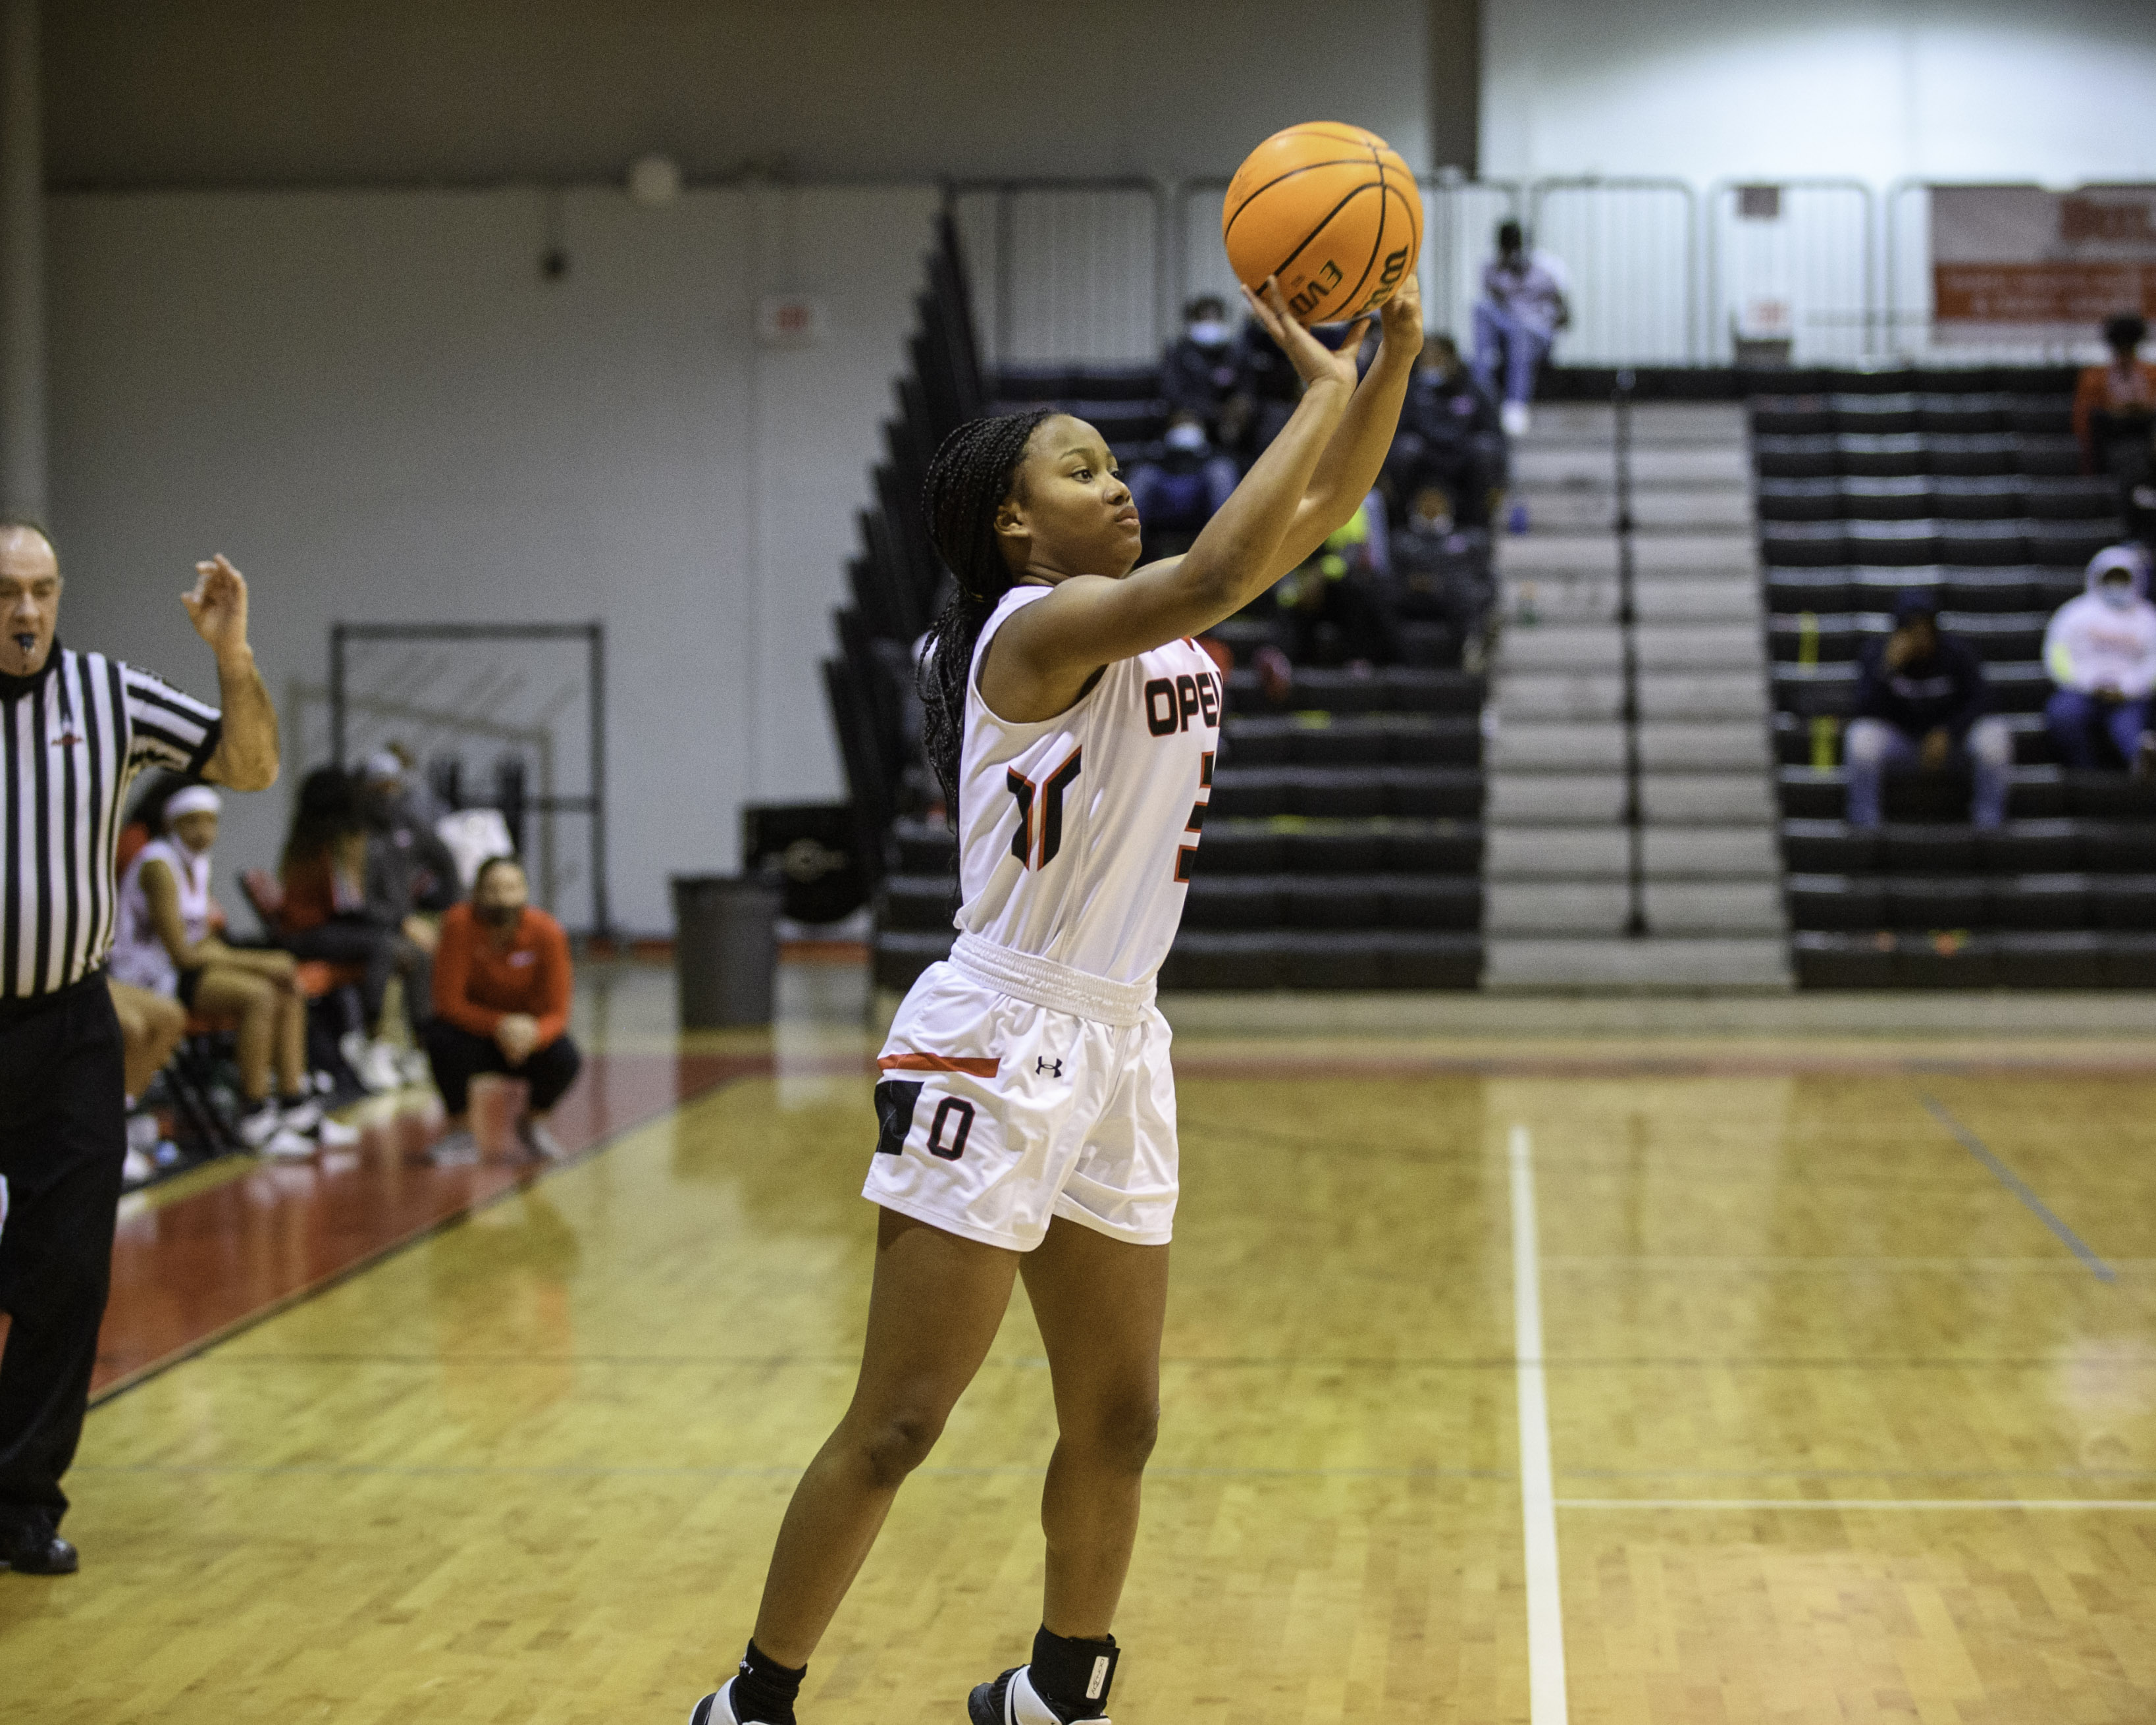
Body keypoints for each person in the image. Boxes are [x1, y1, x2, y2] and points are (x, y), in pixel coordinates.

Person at [682, 266, 1422, 1725]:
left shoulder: (1135, 608)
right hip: (997, 1034)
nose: (1116, 479)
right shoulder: (1027, 626)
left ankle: (1053, 1690)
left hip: (1119, 1036)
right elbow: (1219, 570)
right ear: (1014, 520)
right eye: (1080, 467)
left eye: (1115, 459)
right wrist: (1321, 391)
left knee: (1121, 1413)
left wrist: (1388, 357)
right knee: (900, 1418)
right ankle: (750, 1701)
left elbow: (1315, 512)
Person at [0, 523, 278, 1577]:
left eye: (43, 589)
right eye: (5, 592)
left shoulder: (107, 695)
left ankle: (19, 1500)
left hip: (69, 1022)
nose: (25, 611)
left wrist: (231, 654)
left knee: (68, 1268)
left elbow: (250, 765)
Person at [109, 785, 354, 1158]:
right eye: (192, 823)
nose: (202, 832)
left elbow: (205, 942)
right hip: (146, 977)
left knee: (289, 985)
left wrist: (267, 964)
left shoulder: (197, 863)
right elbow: (182, 954)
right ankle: (253, 1116)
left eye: (209, 822)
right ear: (171, 824)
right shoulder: (158, 866)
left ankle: (295, 1106)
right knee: (259, 995)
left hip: (180, 969)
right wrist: (261, 961)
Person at [278, 766, 434, 1092]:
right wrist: (402, 923)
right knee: (385, 946)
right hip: (305, 936)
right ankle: (370, 1040)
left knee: (415, 954)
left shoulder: (315, 835)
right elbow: (350, 904)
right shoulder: (329, 842)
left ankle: (417, 1048)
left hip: (329, 929)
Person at [423, 855, 579, 1166]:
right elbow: (448, 1003)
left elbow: (558, 1013)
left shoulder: (547, 933)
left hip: (526, 1041)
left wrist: (533, 1034)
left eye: (511, 888)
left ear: (525, 892)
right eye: (493, 889)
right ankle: (460, 1131)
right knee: (438, 1037)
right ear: (477, 893)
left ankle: (534, 1122)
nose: (503, 898)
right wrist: (502, 1025)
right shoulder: (458, 924)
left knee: (566, 1057)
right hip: (477, 1035)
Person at [1843, 591, 2013, 829]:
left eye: (1926, 629)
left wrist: (1949, 732)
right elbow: (1863, 710)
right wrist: (1887, 670)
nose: (1921, 638)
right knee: (1861, 738)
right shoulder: (1877, 654)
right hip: (1903, 742)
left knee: (1994, 737)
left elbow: (1984, 701)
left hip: (1952, 744)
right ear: (1898, 632)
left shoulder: (1956, 652)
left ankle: (1989, 827)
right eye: (1912, 629)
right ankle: (1864, 827)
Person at [2043, 543, 2156, 774]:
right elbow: (2057, 657)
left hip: (2131, 696)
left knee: (2129, 730)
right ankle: (2084, 775)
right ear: (2097, 576)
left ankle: (2142, 768)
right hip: (2082, 692)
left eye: (2122, 578)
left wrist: (2127, 688)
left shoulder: (2148, 618)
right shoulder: (2074, 613)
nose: (2116, 584)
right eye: (2111, 577)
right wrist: (2091, 684)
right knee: (2063, 714)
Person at [1386, 332, 1504, 530]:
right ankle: (1399, 523)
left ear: (1451, 359)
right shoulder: (1409, 391)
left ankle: (1476, 526)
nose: (1430, 364)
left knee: (1486, 448)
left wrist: (1502, 484)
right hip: (1424, 460)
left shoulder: (1474, 390)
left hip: (1462, 458)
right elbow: (1393, 433)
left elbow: (1496, 435)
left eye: (1436, 357)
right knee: (1405, 448)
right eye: (1426, 358)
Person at [1472, 219, 1571, 438]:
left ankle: (1516, 405)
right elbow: (1495, 308)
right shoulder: (1491, 268)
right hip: (1508, 330)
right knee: (1480, 308)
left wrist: (1535, 321)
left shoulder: (1548, 268)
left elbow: (1566, 318)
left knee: (1521, 331)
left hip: (1537, 334)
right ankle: (1481, 388)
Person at [1122, 410, 1238, 543]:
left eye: (1189, 423)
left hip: (1198, 496)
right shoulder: (1156, 452)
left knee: (1222, 471)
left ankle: (1224, 545)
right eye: (1181, 423)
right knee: (1142, 475)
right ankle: (1127, 545)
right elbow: (1145, 463)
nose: (1185, 427)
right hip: (1166, 494)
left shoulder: (1212, 453)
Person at [2072, 313, 2155, 487]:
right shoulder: (2094, 377)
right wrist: (2116, 411)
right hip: (2111, 431)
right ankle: (2100, 481)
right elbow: (2082, 419)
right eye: (2121, 347)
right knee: (2097, 418)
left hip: (2146, 430)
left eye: (2129, 347)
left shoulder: (2151, 373)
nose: (2125, 353)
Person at [1157, 294, 1246, 449]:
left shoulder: (1234, 354)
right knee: (1186, 434)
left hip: (1225, 428)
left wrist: (1237, 410)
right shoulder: (1178, 353)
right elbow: (1173, 394)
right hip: (1190, 422)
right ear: (1193, 322)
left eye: (1215, 319)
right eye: (1205, 319)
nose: (1210, 325)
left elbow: (1244, 390)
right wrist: (1212, 412)